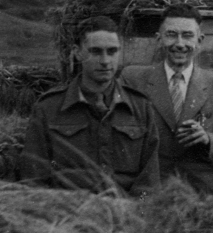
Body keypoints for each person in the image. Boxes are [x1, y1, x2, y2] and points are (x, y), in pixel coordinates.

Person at [20, 16, 160, 197]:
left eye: (112, 51)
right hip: (68, 217)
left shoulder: (140, 108)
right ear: (77, 52)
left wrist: (134, 218)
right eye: (96, 52)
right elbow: (34, 179)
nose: (105, 60)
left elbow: (149, 183)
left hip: (127, 217)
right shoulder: (49, 109)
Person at [120, 3, 213, 194]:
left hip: (202, 195)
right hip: (152, 192)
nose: (179, 43)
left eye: (187, 35)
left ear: (199, 41)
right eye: (171, 35)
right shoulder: (133, 79)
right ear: (159, 40)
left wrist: (207, 139)